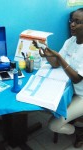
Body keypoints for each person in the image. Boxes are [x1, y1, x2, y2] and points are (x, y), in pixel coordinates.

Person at [37, 8, 83, 148]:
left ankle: (78, 132)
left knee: (53, 125)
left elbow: (76, 79)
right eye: (71, 21)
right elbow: (56, 63)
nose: (72, 25)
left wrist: (58, 57)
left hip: (81, 95)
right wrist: (47, 54)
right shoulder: (71, 41)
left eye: (77, 22)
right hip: (68, 89)